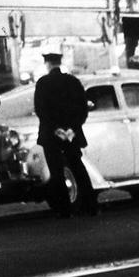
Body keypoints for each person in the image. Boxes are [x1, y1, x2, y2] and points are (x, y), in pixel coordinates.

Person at [33, 51, 96, 217]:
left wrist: (56, 129)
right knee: (77, 166)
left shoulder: (43, 83)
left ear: (47, 64)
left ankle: (65, 209)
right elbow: (83, 108)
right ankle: (91, 205)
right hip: (71, 134)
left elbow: (41, 110)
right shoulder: (73, 82)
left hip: (51, 134)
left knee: (57, 172)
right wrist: (72, 129)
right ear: (59, 63)